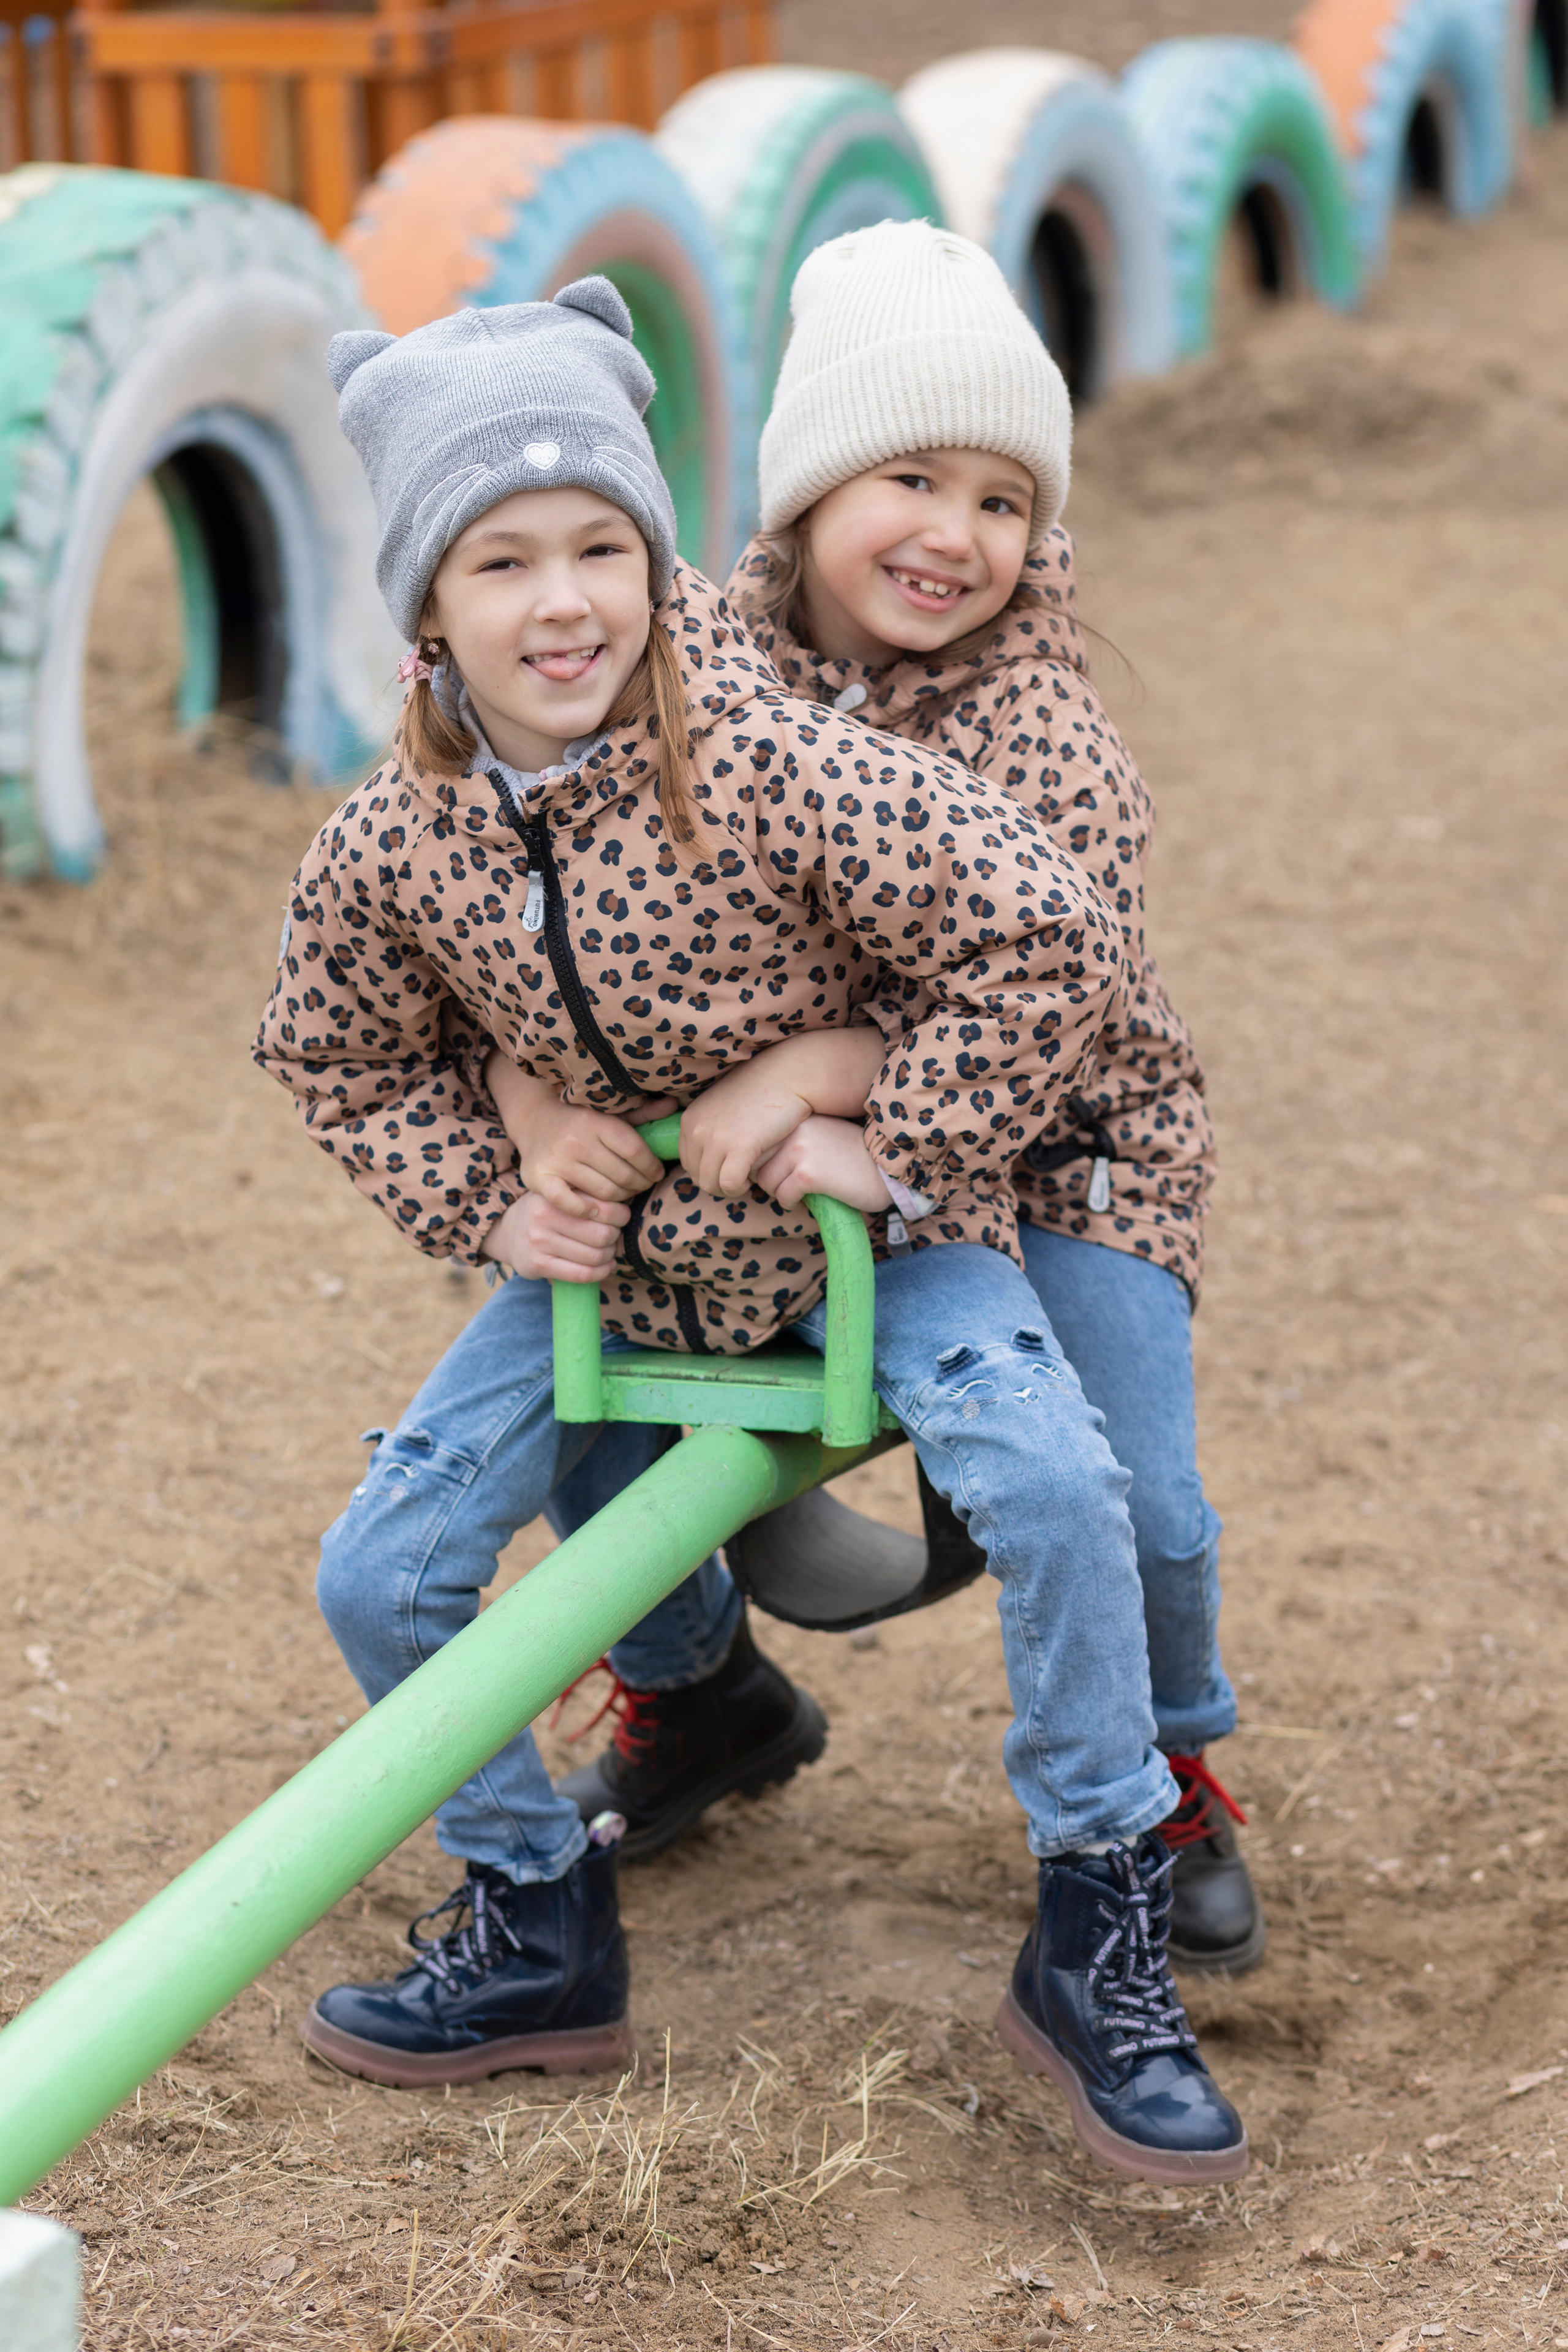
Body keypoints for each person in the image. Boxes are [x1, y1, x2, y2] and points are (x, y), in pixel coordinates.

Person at [254, 274, 1246, 2181]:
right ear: (422, 614)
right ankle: (537, 1919)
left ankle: (1102, 1905)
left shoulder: (770, 751)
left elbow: (1048, 932)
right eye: (501, 562)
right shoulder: (395, 841)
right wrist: (511, 1171)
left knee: (1069, 1485)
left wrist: (892, 1130)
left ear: (658, 558)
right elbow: (338, 1054)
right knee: (381, 1574)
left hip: (909, 1233)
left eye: (603, 548)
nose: (564, 601)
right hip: (631, 1269)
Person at [520, 221, 1262, 1980]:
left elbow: (1060, 1001)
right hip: (785, 1161)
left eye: (1006, 499)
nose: (958, 534)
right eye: (911, 477)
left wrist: (848, 1096)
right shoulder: (695, 681)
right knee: (587, 1414)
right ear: (803, 492)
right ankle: (702, 1691)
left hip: (1064, 1153)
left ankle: (1169, 1772)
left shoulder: (1046, 734)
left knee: (1134, 1491)